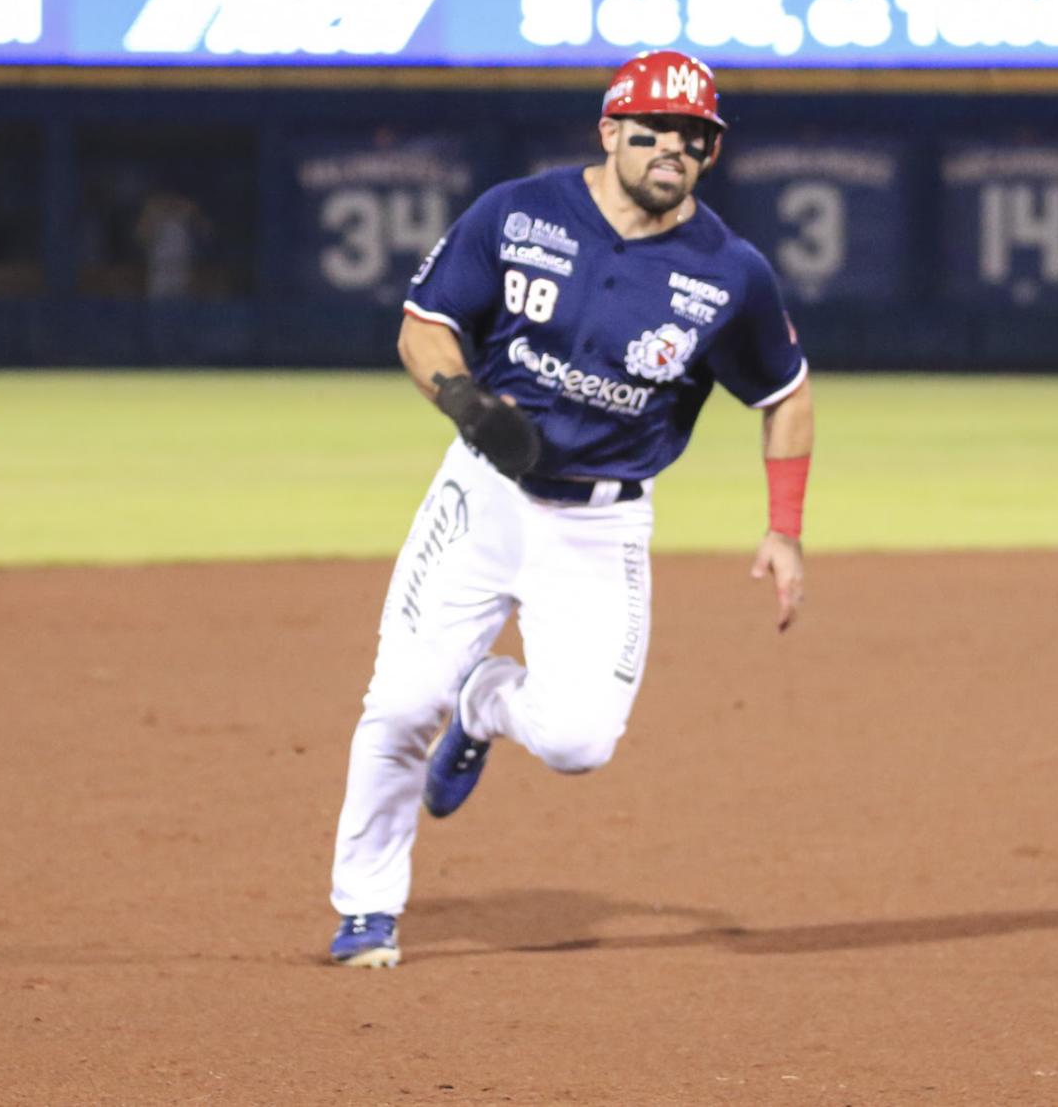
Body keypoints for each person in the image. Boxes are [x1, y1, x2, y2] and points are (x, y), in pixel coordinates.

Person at [326, 50, 815, 968]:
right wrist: (469, 404)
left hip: (603, 523)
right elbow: (423, 325)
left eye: (694, 135)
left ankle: (484, 703)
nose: (673, 146)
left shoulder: (730, 272)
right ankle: (368, 908)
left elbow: (785, 393)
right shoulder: (516, 213)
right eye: (654, 129)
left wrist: (783, 526)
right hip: (484, 498)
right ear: (610, 130)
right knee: (397, 704)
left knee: (580, 742)